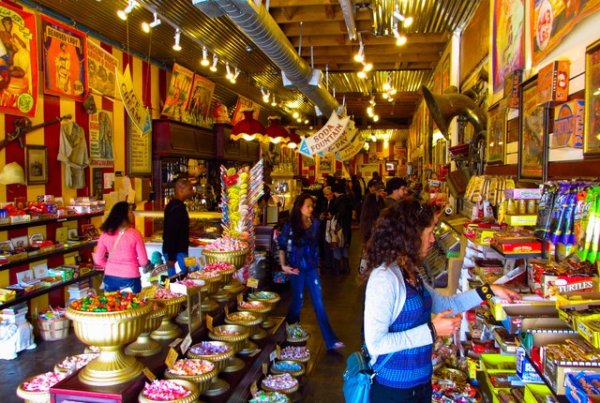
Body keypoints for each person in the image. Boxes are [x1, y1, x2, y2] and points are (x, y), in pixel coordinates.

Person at [363, 199, 521, 402]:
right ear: (409, 236)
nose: (432, 240)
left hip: (421, 385)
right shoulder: (385, 278)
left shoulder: (411, 271)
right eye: (429, 233)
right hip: (394, 391)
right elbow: (376, 343)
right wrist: (432, 330)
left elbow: (447, 305)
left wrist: (488, 291)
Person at [278, 193, 345, 351]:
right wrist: (283, 266)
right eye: (308, 206)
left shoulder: (315, 223)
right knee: (298, 301)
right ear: (299, 207)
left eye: (312, 206)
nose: (311, 209)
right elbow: (281, 245)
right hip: (295, 268)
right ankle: (290, 324)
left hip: (312, 268)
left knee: (319, 303)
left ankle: (331, 341)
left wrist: (318, 265)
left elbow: (316, 246)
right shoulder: (290, 224)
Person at [93, 202, 149, 293]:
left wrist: (110, 265)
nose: (132, 214)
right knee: (132, 306)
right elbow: (144, 261)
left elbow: (98, 259)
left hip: (110, 277)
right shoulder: (135, 234)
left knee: (112, 305)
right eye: (130, 212)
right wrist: (131, 264)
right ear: (124, 216)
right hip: (130, 277)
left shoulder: (105, 234)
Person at [163, 178, 194, 277]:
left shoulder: (175, 205)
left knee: (178, 280)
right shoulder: (178, 208)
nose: (192, 192)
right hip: (176, 253)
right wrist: (171, 258)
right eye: (190, 189)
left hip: (176, 251)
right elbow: (172, 233)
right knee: (178, 281)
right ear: (181, 190)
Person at [331, 182, 353, 274]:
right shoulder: (348, 198)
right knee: (343, 247)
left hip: (339, 227)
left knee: (336, 246)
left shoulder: (338, 201)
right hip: (347, 227)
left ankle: (337, 269)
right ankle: (346, 267)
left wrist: (335, 217)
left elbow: (340, 213)